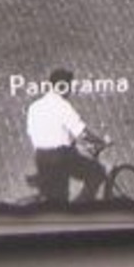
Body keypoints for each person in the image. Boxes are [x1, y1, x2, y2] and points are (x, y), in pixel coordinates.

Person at [26, 69, 108, 204]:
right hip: (61, 157)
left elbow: (31, 132)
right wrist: (99, 142)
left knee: (54, 196)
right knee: (97, 172)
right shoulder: (63, 106)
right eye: (69, 86)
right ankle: (80, 209)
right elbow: (81, 132)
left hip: (41, 157)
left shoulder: (34, 107)